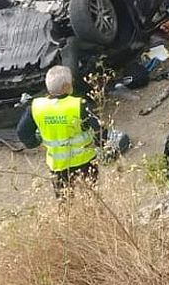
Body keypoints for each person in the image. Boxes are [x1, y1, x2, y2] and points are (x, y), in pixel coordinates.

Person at [16, 65, 106, 196]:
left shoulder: (36, 107)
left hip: (57, 165)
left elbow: (22, 132)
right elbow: (99, 129)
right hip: (85, 161)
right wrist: (102, 145)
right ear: (67, 87)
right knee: (92, 196)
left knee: (64, 201)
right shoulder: (79, 105)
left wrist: (35, 143)